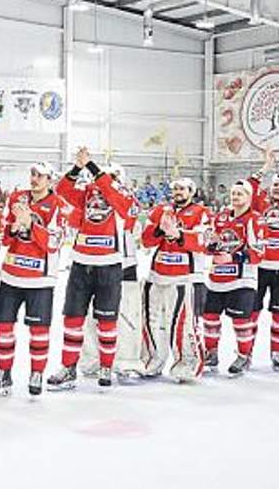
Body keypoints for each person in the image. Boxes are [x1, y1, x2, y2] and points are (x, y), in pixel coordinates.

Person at [48, 147, 136, 390]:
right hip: (80, 263)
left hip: (109, 266)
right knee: (73, 319)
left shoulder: (124, 196)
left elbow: (115, 196)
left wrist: (93, 168)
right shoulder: (88, 192)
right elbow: (62, 190)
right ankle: (68, 368)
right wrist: (78, 167)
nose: (101, 181)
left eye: (110, 176)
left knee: (106, 322)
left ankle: (106, 366)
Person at [0, 161, 68, 397]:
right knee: (2, 327)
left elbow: (53, 243)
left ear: (50, 180)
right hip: (11, 275)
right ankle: (3, 373)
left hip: (40, 280)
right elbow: (4, 237)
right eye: (32, 174)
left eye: (40, 175)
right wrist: (14, 227)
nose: (34, 179)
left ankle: (37, 373)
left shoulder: (58, 205)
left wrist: (30, 223)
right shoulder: (16, 198)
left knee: (38, 331)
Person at [140, 177, 210, 382]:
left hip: (185, 278)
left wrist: (178, 233)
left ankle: (187, 365)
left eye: (182, 189)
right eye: (175, 188)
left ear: (191, 192)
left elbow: (203, 241)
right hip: (157, 275)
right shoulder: (160, 211)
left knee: (184, 325)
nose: (178, 192)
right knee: (152, 322)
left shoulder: (201, 212)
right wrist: (160, 230)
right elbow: (145, 240)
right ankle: (152, 362)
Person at [202, 179, 264, 376]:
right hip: (216, 277)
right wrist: (211, 245)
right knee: (209, 317)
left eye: (240, 193)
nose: (235, 196)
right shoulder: (220, 217)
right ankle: (211, 353)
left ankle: (243, 356)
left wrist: (234, 257)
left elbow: (259, 252)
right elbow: (209, 247)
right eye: (233, 193)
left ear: (249, 197)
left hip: (242, 280)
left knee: (241, 321)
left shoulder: (254, 219)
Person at [248, 150, 279, 371]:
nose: (277, 188)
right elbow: (249, 186)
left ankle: (276, 352)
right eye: (275, 184)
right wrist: (266, 166)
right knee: (251, 312)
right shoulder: (260, 204)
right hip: (258, 268)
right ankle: (245, 352)